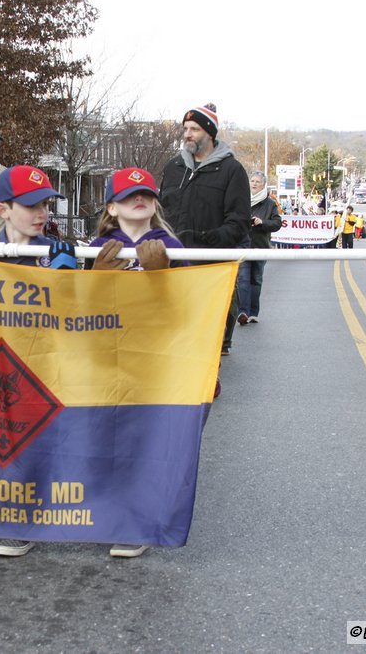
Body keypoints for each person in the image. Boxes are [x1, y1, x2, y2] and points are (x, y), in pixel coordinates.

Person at [0, 164, 72, 557]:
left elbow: (79, 318)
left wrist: (68, 278)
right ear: (4, 209)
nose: (41, 212)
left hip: (43, 366)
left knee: (43, 442)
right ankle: (16, 520)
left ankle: (48, 513)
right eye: (30, 205)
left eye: (45, 203)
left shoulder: (56, 252)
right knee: (3, 442)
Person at [84, 167, 187, 558]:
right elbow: (77, 309)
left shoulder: (171, 246)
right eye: (128, 196)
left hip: (154, 358)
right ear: (112, 207)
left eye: (145, 193)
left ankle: (138, 522)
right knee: (109, 440)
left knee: (146, 442)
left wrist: (166, 278)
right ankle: (110, 512)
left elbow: (192, 308)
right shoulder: (97, 246)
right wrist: (91, 277)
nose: (138, 200)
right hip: (107, 358)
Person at [159, 104, 249, 358]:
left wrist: (205, 240)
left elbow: (238, 222)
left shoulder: (232, 171)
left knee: (205, 335)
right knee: (174, 332)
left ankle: (205, 385)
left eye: (194, 129)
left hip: (210, 265)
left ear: (210, 133)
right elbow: (161, 211)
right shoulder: (174, 168)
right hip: (172, 263)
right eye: (185, 128)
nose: (187, 134)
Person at [237, 171, 282, 325]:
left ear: (263, 185)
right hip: (243, 245)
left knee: (256, 279)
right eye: (252, 181)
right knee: (242, 278)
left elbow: (277, 224)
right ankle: (242, 311)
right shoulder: (241, 200)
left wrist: (262, 223)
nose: (254, 184)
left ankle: (253, 312)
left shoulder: (270, 204)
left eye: (257, 181)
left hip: (260, 245)